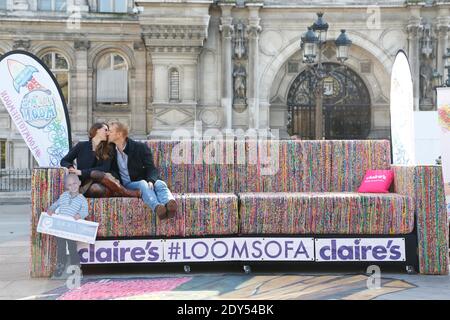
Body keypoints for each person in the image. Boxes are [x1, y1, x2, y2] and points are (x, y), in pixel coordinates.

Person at [107, 121, 177, 220]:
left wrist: (151, 180)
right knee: (142, 184)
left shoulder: (139, 147)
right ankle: (157, 207)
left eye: (110, 131)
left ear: (119, 134)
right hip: (127, 184)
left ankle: (170, 204)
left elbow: (151, 168)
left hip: (142, 179)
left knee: (159, 183)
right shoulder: (110, 151)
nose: (107, 133)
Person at [60, 122, 139, 198]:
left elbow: (105, 168)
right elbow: (64, 160)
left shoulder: (109, 147)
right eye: (105, 130)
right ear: (97, 130)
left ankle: (126, 192)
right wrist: (70, 167)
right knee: (95, 189)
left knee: (95, 173)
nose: (107, 133)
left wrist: (81, 172)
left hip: (107, 179)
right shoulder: (81, 146)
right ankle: (119, 192)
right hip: (88, 183)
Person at [47, 174, 88, 278]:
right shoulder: (64, 195)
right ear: (66, 186)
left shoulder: (82, 199)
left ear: (79, 183)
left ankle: (75, 265)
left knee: (72, 246)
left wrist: (80, 215)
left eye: (75, 183)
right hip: (61, 226)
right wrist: (51, 209)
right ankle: (61, 264)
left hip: (71, 228)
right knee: (60, 246)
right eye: (70, 185)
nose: (73, 186)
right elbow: (56, 204)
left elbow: (85, 211)